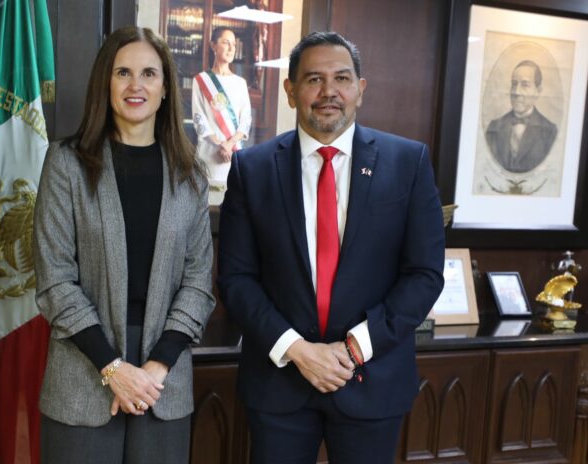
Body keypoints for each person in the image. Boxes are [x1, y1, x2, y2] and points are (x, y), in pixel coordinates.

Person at [217, 31, 445, 463]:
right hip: (279, 383)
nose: (329, 92)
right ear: (290, 91)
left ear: (361, 88)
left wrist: (354, 348)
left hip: (372, 380)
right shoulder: (252, 169)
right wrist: (298, 350)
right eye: (313, 79)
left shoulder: (408, 162)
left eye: (341, 78)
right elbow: (236, 279)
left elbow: (425, 274)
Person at [33, 26, 215, 464]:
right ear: (106, 83)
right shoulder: (66, 164)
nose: (137, 85)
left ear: (166, 87)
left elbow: (197, 283)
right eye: (123, 73)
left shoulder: (190, 175)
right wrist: (113, 368)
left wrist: (155, 367)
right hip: (83, 371)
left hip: (163, 381)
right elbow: (55, 280)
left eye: (149, 73)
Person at [192, 26, 252, 202]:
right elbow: (199, 118)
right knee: (205, 204)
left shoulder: (240, 83)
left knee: (233, 204)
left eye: (234, 44)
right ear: (213, 46)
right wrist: (220, 145)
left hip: (233, 155)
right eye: (226, 43)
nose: (231, 48)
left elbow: (245, 120)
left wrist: (229, 145)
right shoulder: (201, 80)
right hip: (209, 154)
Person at [485, 59, 557, 173]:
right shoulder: (494, 128)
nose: (517, 92)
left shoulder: (550, 132)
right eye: (514, 84)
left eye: (525, 85)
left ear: (538, 91)